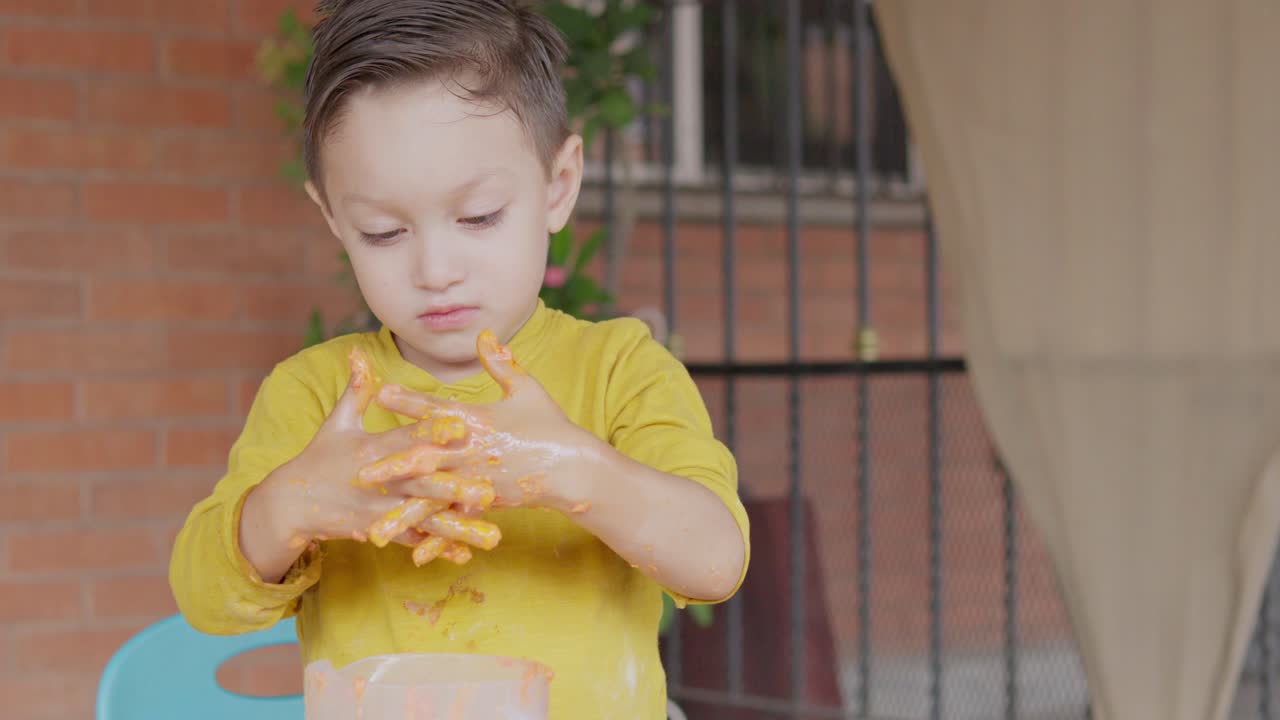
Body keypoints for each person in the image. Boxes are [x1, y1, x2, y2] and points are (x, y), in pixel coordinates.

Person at [168, 1, 749, 717]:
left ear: (558, 186)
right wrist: (293, 505)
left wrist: (571, 469)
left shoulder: (618, 370)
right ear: (333, 219)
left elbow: (716, 561)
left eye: (478, 218)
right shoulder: (318, 398)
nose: (435, 268)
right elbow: (204, 599)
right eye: (383, 232)